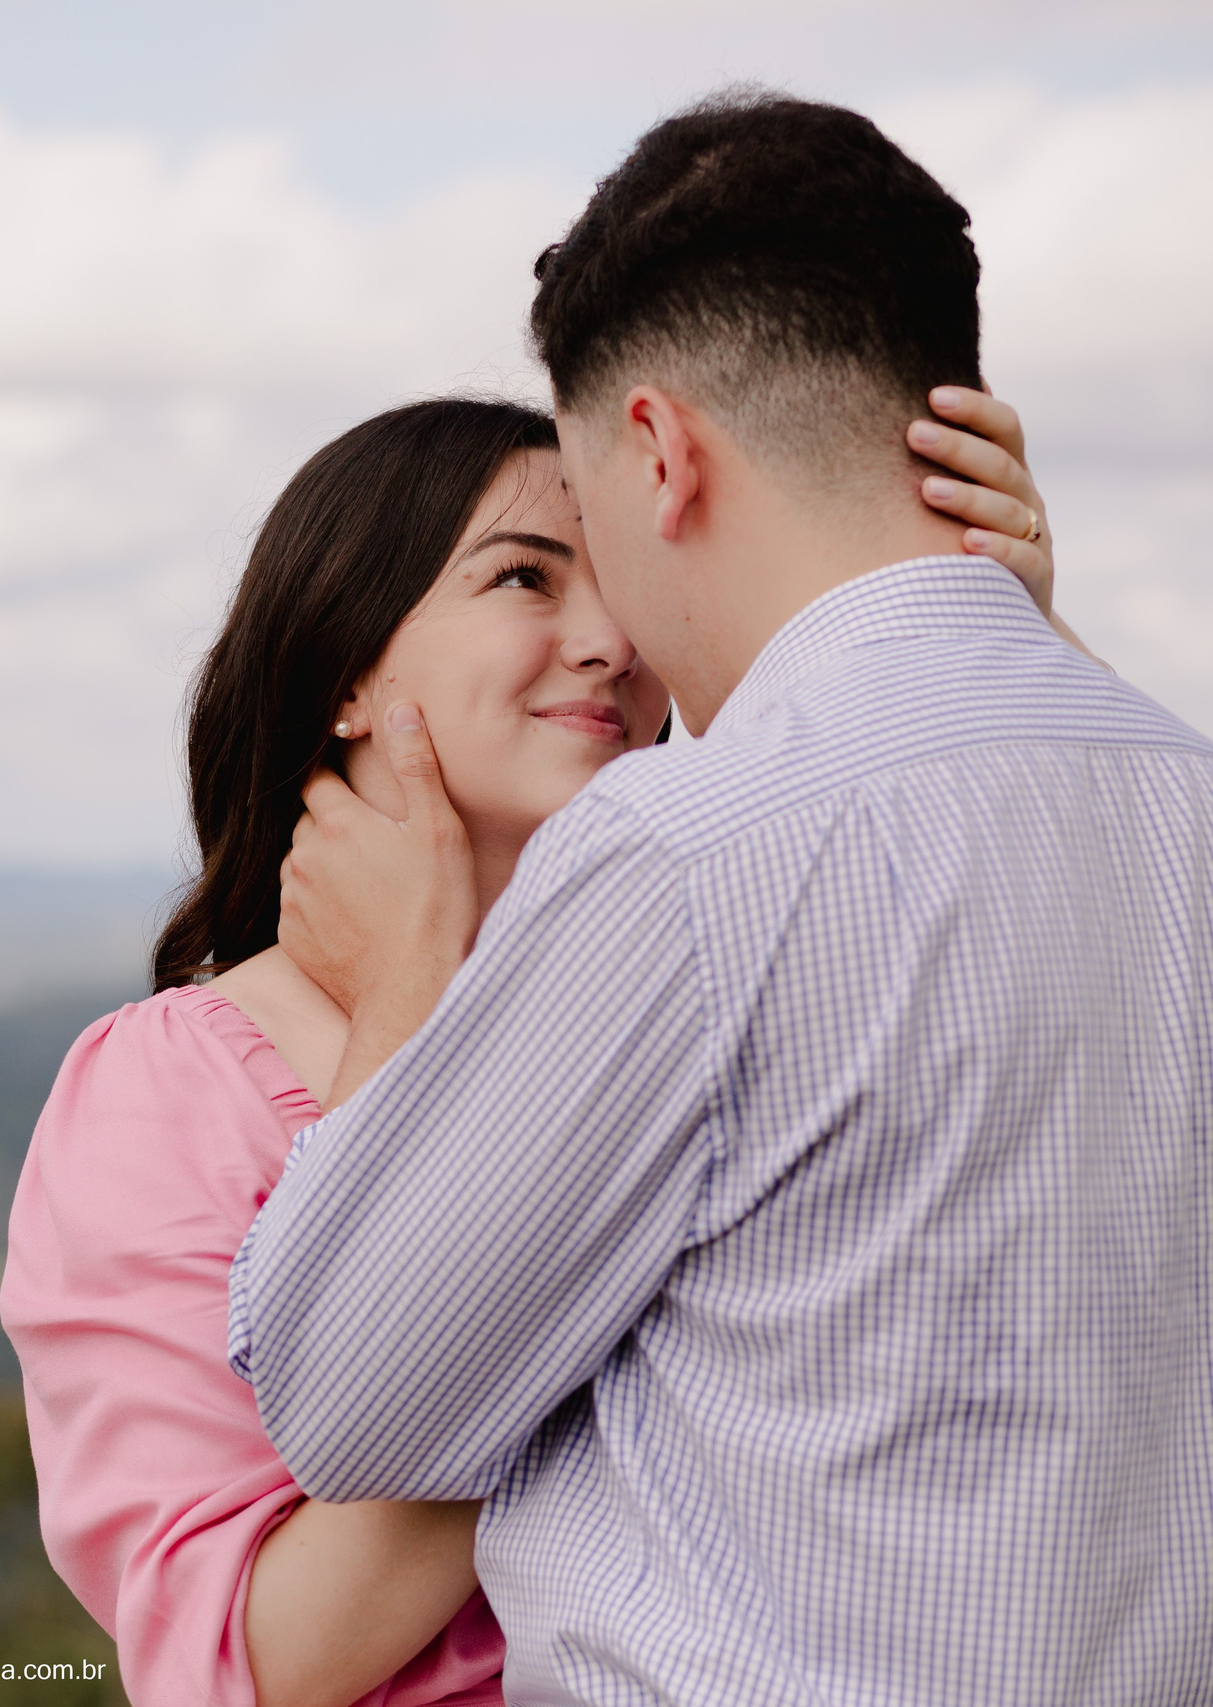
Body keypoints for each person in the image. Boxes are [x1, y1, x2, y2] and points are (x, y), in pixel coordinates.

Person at [228, 91, 1213, 1705]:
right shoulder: (1185, 791)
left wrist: (404, 988)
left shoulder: (693, 849)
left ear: (660, 452)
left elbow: (346, 1394)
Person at [1, 375, 1058, 1700]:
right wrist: (412, 1025)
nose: (610, 640)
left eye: (619, 581)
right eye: (523, 579)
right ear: (343, 666)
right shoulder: (165, 1089)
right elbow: (263, 1657)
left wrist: (1004, 633)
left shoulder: (719, 984)